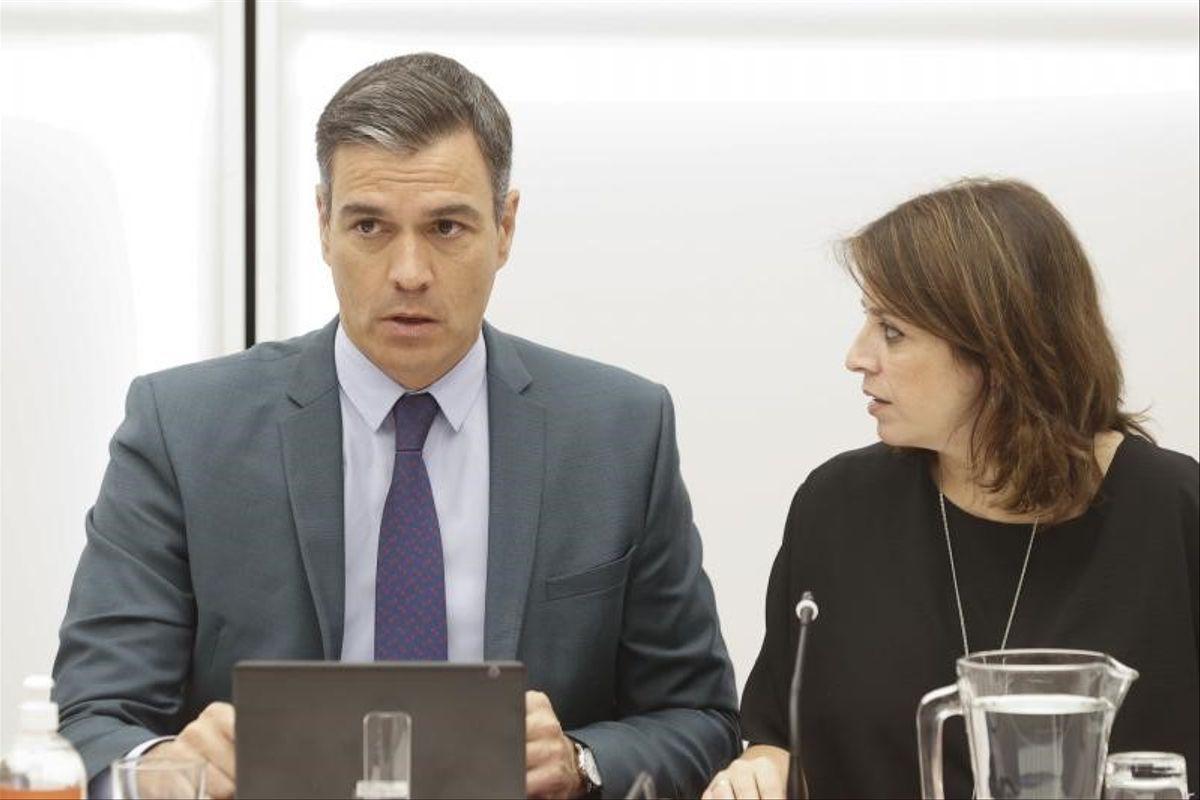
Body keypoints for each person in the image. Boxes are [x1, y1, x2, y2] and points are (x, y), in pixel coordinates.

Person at [52, 52, 739, 800]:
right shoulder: (183, 430)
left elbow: (700, 718)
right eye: (370, 226)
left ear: (505, 228)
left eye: (446, 226)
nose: (408, 271)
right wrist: (166, 767)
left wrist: (580, 760)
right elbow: (93, 716)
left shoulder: (619, 433)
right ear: (323, 225)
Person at [703, 178, 1199, 799]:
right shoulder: (836, 508)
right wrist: (761, 773)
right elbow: (778, 736)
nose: (856, 357)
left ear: (999, 348)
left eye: (892, 331)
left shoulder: (1178, 513)